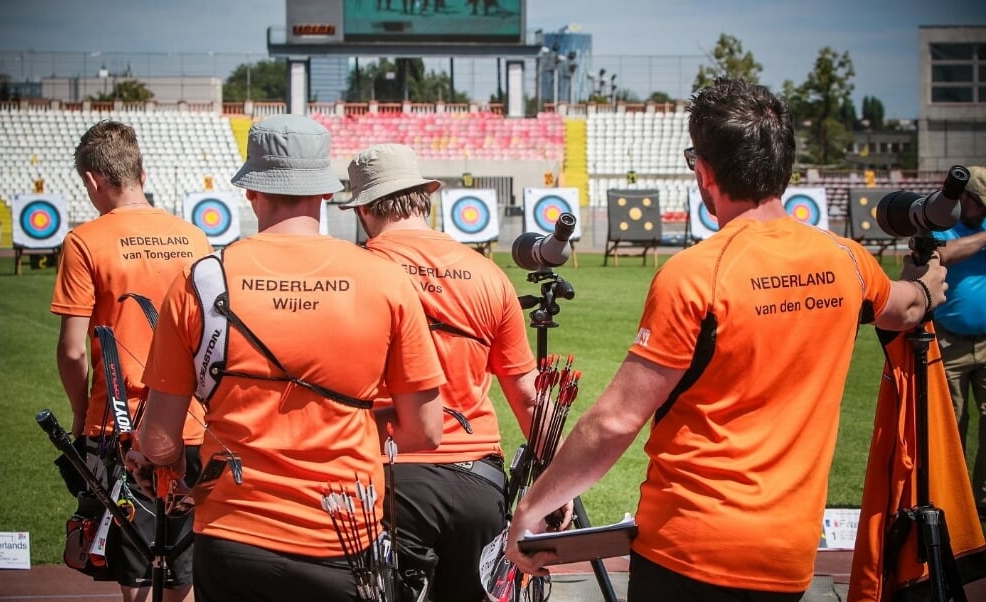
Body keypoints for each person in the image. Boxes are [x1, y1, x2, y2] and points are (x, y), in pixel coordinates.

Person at [503, 77, 948, 601]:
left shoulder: (696, 274)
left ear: (704, 172)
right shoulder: (847, 260)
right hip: (786, 556)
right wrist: (928, 279)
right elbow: (908, 306)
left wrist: (531, 508)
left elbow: (617, 419)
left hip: (687, 550)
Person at [125, 115, 445, 602]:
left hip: (233, 533)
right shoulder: (384, 279)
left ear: (252, 190)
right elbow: (424, 431)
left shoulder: (203, 278)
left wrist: (155, 456)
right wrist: (354, 421)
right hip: (345, 535)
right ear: (323, 194)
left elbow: (161, 439)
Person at [341, 143, 559, 601]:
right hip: (478, 484)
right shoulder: (488, 274)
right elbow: (526, 394)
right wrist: (555, 480)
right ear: (425, 198)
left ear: (362, 210)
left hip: (389, 476)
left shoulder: (355, 273)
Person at [51, 119, 212, 602]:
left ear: (92, 181)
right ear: (143, 171)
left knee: (138, 574)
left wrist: (82, 414)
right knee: (181, 569)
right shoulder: (195, 238)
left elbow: (73, 349)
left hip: (121, 427)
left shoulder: (85, 241)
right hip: (192, 422)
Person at [933, 165, 986, 518]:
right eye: (978, 202)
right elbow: (943, 254)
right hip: (949, 343)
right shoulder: (942, 222)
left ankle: (981, 500)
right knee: (951, 426)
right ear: (967, 199)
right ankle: (953, 501)